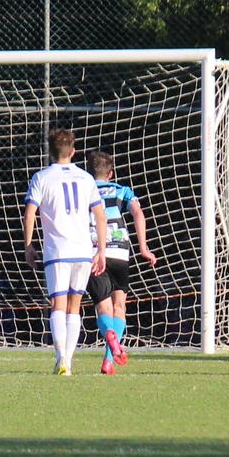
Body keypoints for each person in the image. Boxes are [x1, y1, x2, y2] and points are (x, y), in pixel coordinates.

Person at [22, 128, 107, 376]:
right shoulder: (86, 178)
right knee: (75, 306)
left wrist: (29, 245)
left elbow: (29, 214)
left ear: (50, 151)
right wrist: (100, 250)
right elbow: (100, 216)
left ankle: (62, 359)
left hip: (57, 251)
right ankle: (67, 359)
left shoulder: (41, 177)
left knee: (57, 304)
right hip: (82, 250)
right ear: (73, 151)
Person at [85, 150, 157, 375]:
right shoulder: (122, 190)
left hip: (95, 251)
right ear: (111, 173)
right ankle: (108, 360)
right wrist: (143, 247)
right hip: (120, 253)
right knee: (119, 307)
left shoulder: (83, 190)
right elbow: (138, 212)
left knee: (103, 308)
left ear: (89, 172)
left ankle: (109, 335)